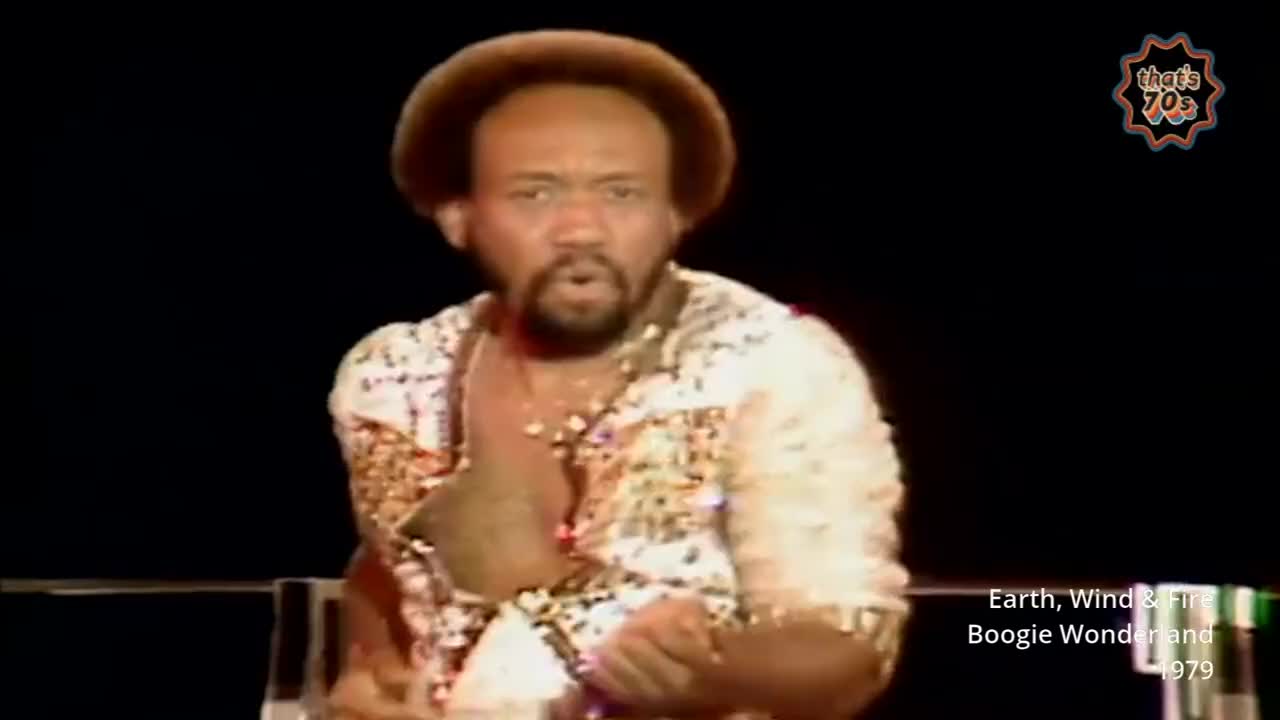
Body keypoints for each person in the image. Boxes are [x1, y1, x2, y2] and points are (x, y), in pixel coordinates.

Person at [325, 29, 910, 719]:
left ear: (675, 215)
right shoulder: (394, 375)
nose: (582, 229)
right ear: (459, 217)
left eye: (622, 193)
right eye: (535, 194)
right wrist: (369, 670)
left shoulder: (771, 362)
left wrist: (705, 672)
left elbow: (847, 652)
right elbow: (384, 572)